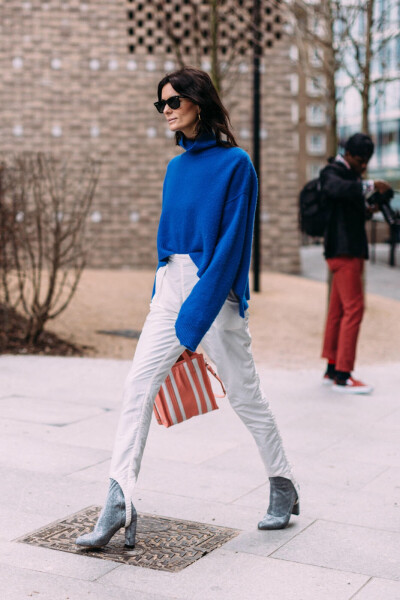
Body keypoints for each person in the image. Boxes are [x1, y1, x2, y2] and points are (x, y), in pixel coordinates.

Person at [76, 67, 299, 550]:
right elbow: (167, 245)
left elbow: (231, 247)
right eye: (161, 105)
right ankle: (119, 501)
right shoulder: (175, 168)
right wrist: (161, 295)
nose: (167, 111)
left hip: (213, 290)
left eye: (173, 102)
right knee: (138, 384)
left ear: (199, 102)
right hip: (169, 287)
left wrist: (195, 317)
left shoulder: (237, 165)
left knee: (244, 393)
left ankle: (282, 483)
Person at [320, 133, 391, 394]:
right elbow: (334, 189)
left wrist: (369, 209)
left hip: (344, 250)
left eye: (366, 162)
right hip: (345, 251)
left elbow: (346, 207)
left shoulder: (349, 174)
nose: (363, 166)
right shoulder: (333, 171)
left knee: (339, 310)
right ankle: (344, 375)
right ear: (348, 154)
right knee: (355, 309)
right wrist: (370, 184)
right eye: (361, 160)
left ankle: (331, 367)